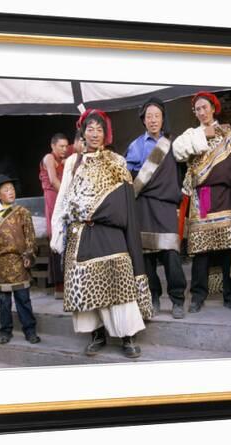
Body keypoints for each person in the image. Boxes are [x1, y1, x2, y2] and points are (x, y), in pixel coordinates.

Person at [51, 109, 153, 359]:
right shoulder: (72, 163)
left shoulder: (117, 161)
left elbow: (125, 202)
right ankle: (96, 334)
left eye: (99, 129)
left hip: (110, 232)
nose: (94, 133)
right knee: (85, 285)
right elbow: (63, 197)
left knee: (119, 281)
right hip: (81, 232)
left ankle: (128, 336)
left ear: (106, 133)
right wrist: (57, 229)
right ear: (83, 133)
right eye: (90, 129)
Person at [173, 91, 231, 313]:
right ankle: (197, 296)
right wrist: (203, 134)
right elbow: (178, 152)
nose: (202, 112)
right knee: (201, 249)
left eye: (205, 107)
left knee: (226, 248)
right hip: (203, 196)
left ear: (213, 109)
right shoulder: (191, 135)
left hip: (225, 196)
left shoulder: (229, 136)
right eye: (198, 109)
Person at [125, 97, 187, 319]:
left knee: (171, 253)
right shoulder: (135, 146)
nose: (152, 120)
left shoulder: (173, 144)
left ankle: (178, 299)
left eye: (156, 116)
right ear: (144, 120)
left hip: (166, 206)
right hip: (143, 205)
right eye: (149, 116)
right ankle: (153, 296)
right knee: (147, 256)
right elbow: (129, 177)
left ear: (163, 119)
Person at [0, 175, 41, 344]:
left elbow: (30, 236)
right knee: (3, 301)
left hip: (18, 261)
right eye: (6, 190)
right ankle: (5, 331)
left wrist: (29, 255)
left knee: (23, 299)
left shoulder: (22, 212)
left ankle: (30, 330)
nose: (11, 192)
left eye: (12, 188)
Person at [39, 133, 69, 298]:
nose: (64, 149)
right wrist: (68, 195)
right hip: (53, 199)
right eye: (61, 146)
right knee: (57, 237)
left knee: (68, 238)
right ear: (53, 146)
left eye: (66, 146)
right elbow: (52, 180)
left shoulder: (66, 159)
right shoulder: (49, 157)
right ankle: (59, 286)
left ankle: (68, 283)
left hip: (63, 199)